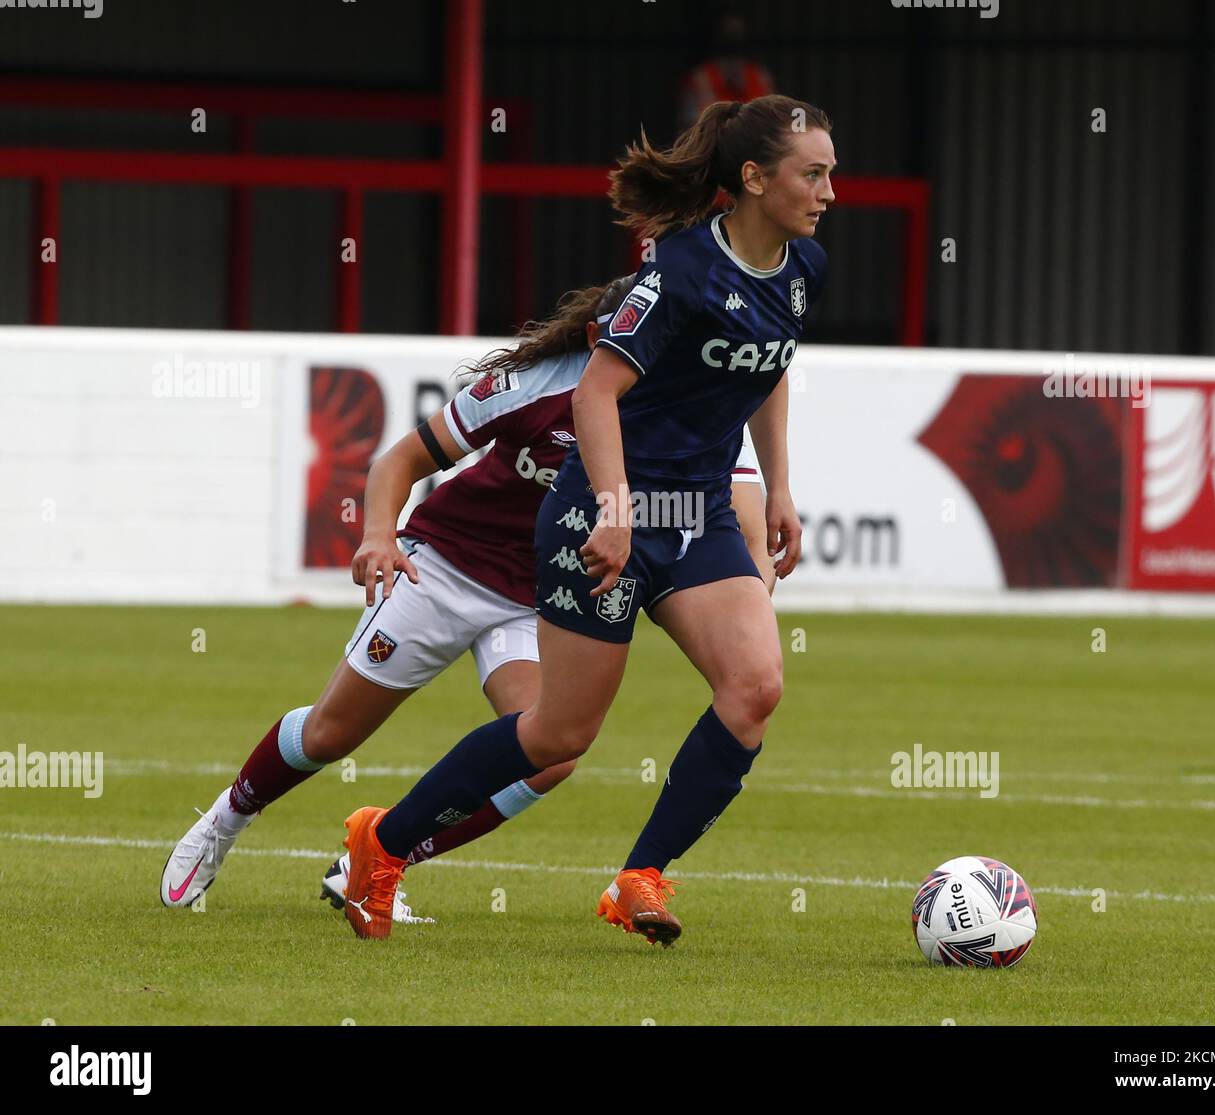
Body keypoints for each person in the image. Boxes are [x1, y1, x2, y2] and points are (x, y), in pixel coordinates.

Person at [338, 94, 835, 943]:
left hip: (696, 511)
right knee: (557, 734)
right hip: (599, 513)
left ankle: (639, 878)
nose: (829, 190)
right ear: (754, 178)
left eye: (831, 172)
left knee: (755, 686)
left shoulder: (804, 268)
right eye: (812, 172)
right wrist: (612, 510)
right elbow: (598, 390)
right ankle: (380, 843)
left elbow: (770, 366)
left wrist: (779, 485)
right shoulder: (677, 271)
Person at [159, 274, 774, 918]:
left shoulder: (684, 409)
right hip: (447, 571)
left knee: (551, 754)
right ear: (600, 336)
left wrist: (753, 584)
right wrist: (377, 537)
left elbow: (742, 509)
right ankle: (224, 821)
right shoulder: (534, 388)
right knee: (330, 733)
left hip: (536, 600)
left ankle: (377, 861)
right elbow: (399, 462)